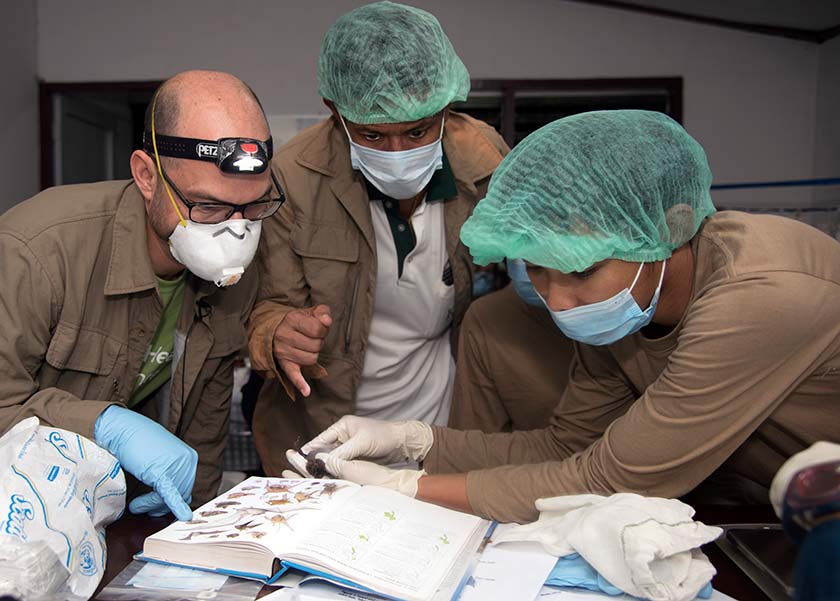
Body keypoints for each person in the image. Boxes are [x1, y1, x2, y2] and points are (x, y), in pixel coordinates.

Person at [288, 110, 840, 523]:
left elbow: (609, 477)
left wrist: (408, 491)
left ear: (666, 229)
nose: (557, 300)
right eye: (538, 269)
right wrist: (411, 441)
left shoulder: (761, 296)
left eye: (580, 269)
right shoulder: (624, 308)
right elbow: (565, 447)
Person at [0, 70, 282, 520]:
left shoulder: (240, 268)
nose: (236, 231)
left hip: (115, 512)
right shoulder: (35, 252)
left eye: (254, 205)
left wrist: (195, 528)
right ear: (147, 176)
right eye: (207, 207)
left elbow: (204, 432)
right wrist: (102, 426)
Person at [247, 1, 508, 474]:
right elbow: (265, 306)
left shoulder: (482, 162)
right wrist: (276, 335)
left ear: (444, 108)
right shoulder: (295, 175)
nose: (397, 153)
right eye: (370, 136)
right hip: (324, 430)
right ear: (335, 112)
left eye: (416, 132)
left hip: (445, 429)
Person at [448, 259, 574, 433]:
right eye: (534, 267)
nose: (556, 303)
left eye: (583, 272)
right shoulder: (490, 322)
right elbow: (477, 443)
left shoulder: (617, 324)